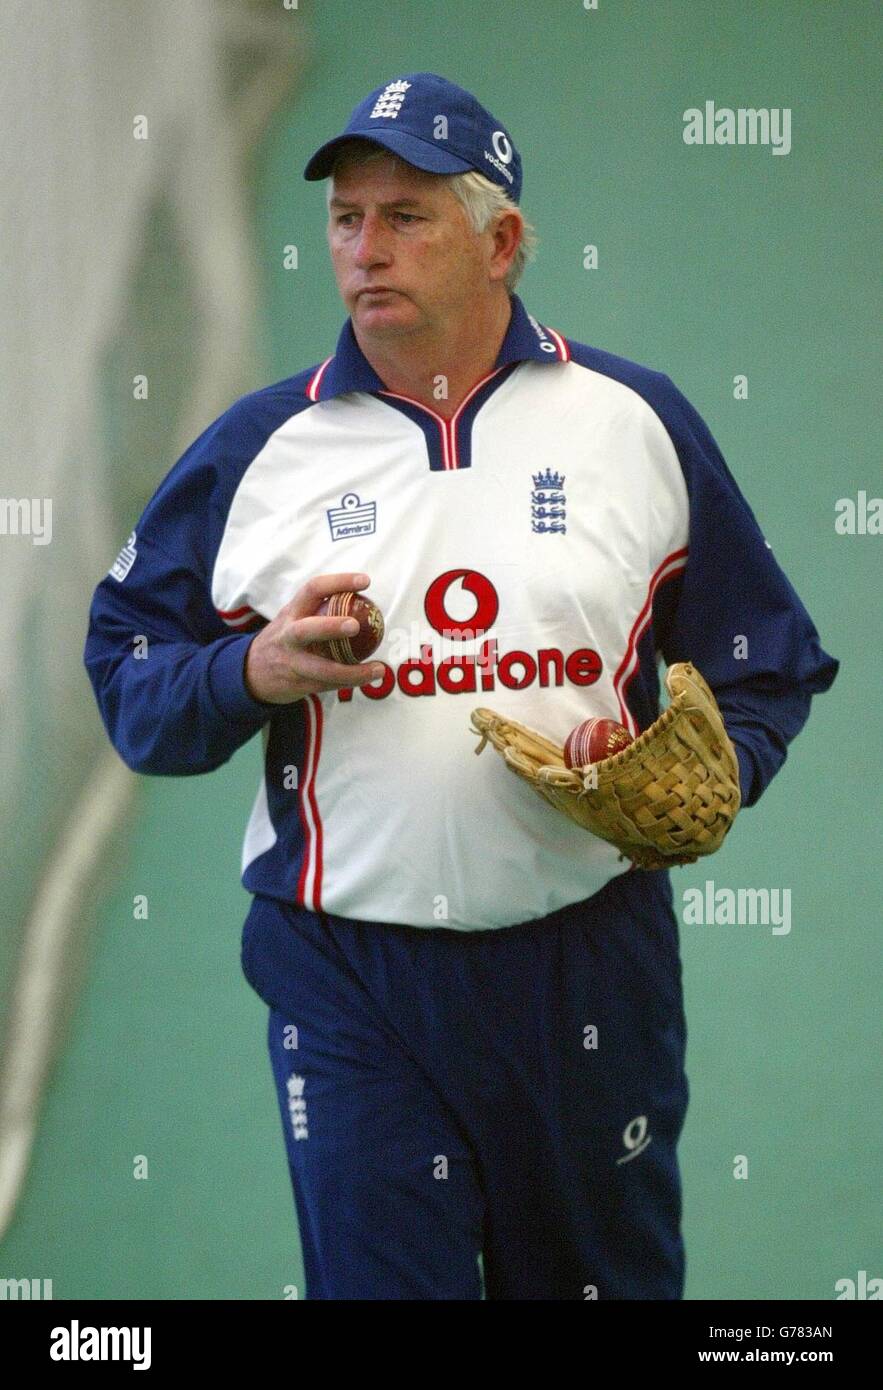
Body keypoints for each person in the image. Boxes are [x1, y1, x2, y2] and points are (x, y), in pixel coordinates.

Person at [84, 72, 840, 1300]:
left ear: (502, 243)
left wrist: (720, 774)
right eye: (344, 219)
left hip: (588, 968)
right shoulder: (258, 453)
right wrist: (252, 667)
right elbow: (131, 680)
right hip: (346, 978)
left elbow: (767, 655)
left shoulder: (632, 422)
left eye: (405, 216)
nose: (364, 250)